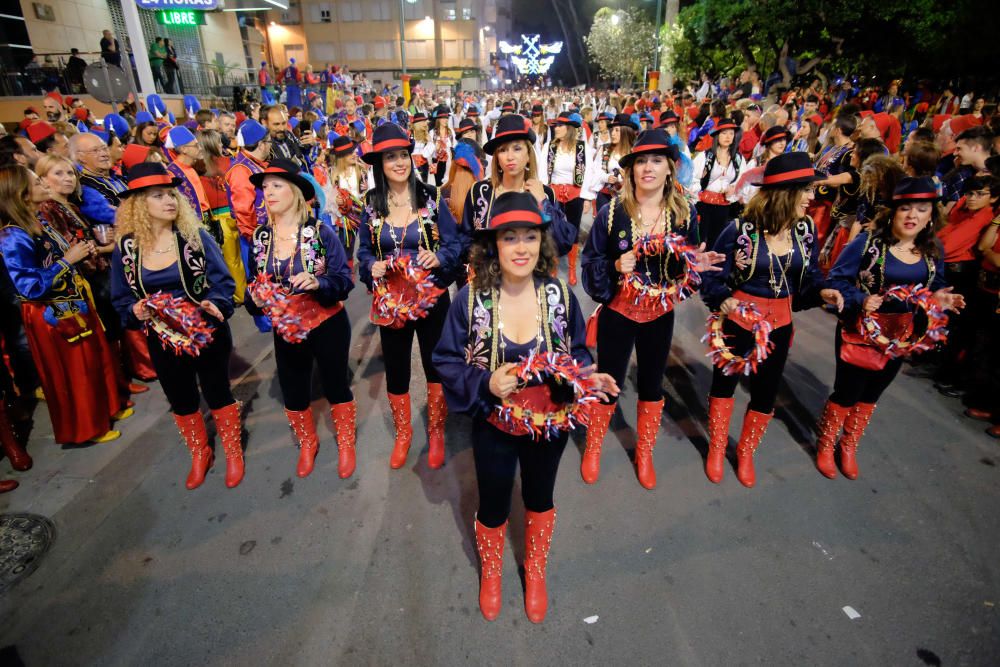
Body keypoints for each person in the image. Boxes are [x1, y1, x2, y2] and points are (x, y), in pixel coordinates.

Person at [432, 191, 618, 623]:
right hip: (494, 425)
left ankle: (535, 570)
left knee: (539, 496)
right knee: (494, 501)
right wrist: (484, 380)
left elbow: (576, 352)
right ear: (493, 244)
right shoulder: (471, 299)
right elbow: (444, 360)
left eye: (530, 237)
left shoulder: (558, 294)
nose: (521, 247)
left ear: (542, 242)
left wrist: (586, 378)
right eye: (510, 237)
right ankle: (492, 572)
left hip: (550, 423)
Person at [581, 130, 722, 488]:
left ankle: (644, 453)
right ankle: (594, 448)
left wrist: (695, 264)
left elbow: (685, 266)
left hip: (658, 314)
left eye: (656, 160)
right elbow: (591, 261)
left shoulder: (684, 213)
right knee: (609, 381)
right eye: (641, 160)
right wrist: (615, 266)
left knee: (651, 384)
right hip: (619, 312)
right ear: (630, 169)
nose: (647, 168)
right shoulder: (612, 213)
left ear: (670, 168)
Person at [700, 152, 844, 487]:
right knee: (724, 386)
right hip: (737, 322)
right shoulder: (739, 229)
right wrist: (723, 299)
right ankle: (717, 447)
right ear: (785, 193)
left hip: (779, 325)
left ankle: (746, 453)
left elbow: (810, 280)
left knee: (766, 392)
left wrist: (823, 293)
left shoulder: (806, 230)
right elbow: (710, 278)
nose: (812, 197)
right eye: (806, 190)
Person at [111, 162, 243, 489]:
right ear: (140, 204)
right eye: (159, 196)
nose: (170, 201)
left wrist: (218, 302)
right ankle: (200, 453)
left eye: (172, 194)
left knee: (217, 391)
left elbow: (222, 281)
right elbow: (120, 298)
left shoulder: (193, 236)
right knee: (181, 398)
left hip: (206, 332)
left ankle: (232, 449)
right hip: (163, 338)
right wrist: (135, 310)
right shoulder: (127, 249)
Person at [820, 177, 962, 478]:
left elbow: (934, 285)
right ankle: (826, 443)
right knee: (847, 392)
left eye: (921, 209)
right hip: (860, 331)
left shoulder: (934, 248)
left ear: (931, 215)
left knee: (872, 394)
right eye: (906, 209)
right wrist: (860, 298)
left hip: (901, 335)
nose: (913, 216)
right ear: (893, 212)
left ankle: (848, 445)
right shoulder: (868, 243)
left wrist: (940, 297)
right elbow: (835, 280)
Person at [0, 165, 128, 445]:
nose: (42, 183)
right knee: (73, 373)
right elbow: (29, 286)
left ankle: (105, 411)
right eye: (36, 181)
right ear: (21, 194)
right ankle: (86, 428)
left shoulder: (38, 220)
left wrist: (81, 253)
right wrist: (68, 260)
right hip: (51, 313)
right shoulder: (13, 237)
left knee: (92, 360)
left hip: (73, 300)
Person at [357, 123, 460, 469]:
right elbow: (364, 252)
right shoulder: (371, 204)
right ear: (380, 164)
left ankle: (436, 432)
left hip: (431, 299)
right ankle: (403, 435)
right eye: (390, 157)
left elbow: (454, 243)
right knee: (397, 369)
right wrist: (370, 265)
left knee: (435, 366)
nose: (399, 162)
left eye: (403, 155)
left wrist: (440, 257)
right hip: (392, 303)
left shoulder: (430, 196)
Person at [245, 160, 356, 478]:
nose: (268, 192)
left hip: (326, 322)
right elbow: (255, 282)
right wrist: (253, 299)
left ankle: (346, 443)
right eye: (264, 187)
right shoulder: (261, 237)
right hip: (286, 328)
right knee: (293, 391)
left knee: (336, 385)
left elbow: (343, 280)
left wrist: (319, 283)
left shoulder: (320, 232)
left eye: (276, 185)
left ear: (294, 192)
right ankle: (307, 444)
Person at [541, 111, 593, 286]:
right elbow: (542, 173)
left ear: (569, 128)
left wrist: (586, 197)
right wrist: (543, 197)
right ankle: (554, 267)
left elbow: (588, 173)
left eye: (561, 125)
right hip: (554, 194)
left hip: (574, 194)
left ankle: (571, 268)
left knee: (573, 230)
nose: (557, 128)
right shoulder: (549, 147)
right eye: (557, 125)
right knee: (553, 231)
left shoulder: (581, 147)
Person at [197, 129, 245, 304]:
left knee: (228, 260)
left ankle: (237, 294)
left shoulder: (200, 168)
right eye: (218, 142)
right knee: (234, 259)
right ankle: (240, 294)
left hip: (220, 219)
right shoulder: (225, 162)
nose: (221, 145)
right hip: (226, 218)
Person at [689, 118, 746, 251]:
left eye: (731, 133)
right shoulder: (705, 156)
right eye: (724, 133)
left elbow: (742, 181)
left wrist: (734, 190)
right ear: (717, 136)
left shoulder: (738, 159)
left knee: (718, 241)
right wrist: (698, 193)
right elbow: (692, 179)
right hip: (703, 205)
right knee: (700, 241)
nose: (728, 137)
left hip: (724, 206)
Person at [319, 135, 369, 262]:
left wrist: (367, 189)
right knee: (344, 250)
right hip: (344, 220)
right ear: (341, 156)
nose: (355, 153)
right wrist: (336, 200)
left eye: (354, 151)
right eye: (350, 152)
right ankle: (346, 275)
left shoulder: (361, 170)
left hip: (361, 216)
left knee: (365, 247)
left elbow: (370, 193)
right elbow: (325, 196)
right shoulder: (332, 174)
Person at [584, 114, 637, 214]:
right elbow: (594, 171)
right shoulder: (604, 149)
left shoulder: (634, 153)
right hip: (605, 196)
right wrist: (606, 178)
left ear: (626, 132)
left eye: (617, 130)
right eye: (612, 130)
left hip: (627, 198)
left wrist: (625, 179)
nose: (612, 133)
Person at [71, 132, 126, 227]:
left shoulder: (118, 178)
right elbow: (114, 216)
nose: (104, 154)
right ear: (81, 157)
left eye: (104, 148)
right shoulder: (85, 188)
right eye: (95, 151)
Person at [424, 105, 454, 187]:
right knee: (438, 185)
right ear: (438, 119)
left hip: (448, 162)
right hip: (436, 162)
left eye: (447, 118)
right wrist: (435, 147)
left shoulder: (451, 132)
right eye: (443, 118)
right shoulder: (432, 132)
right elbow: (427, 151)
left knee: (447, 184)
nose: (445, 120)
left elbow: (453, 147)